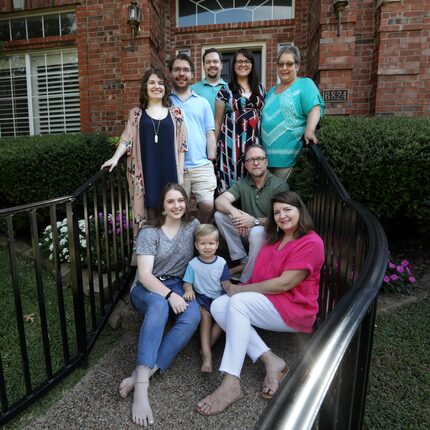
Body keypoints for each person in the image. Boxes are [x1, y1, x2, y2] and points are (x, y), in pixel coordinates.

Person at [196, 191, 325, 416]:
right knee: (218, 305)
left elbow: (284, 284)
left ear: (300, 211)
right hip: (270, 301)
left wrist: (240, 289)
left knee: (238, 302)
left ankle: (231, 382)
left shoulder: (311, 242)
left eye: (287, 209)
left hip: (295, 309)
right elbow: (260, 275)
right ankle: (271, 360)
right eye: (276, 212)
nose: (282, 216)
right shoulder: (273, 238)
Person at [118, 183, 201, 427]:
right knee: (159, 307)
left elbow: (210, 244)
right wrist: (169, 296)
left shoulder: (192, 227)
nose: (177, 205)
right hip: (148, 287)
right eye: (170, 201)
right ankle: (142, 389)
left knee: (193, 316)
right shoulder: (149, 232)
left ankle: (142, 375)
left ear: (186, 204)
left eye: (180, 201)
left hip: (179, 284)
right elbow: (144, 275)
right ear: (163, 207)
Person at [101, 68, 187, 232]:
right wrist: (114, 157)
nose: (157, 86)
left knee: (172, 214)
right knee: (151, 215)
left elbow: (182, 146)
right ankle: (151, 251)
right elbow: (127, 139)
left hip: (170, 170)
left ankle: (170, 253)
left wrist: (180, 175)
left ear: (165, 88)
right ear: (145, 87)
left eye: (161, 83)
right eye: (152, 82)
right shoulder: (136, 114)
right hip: (147, 171)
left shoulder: (176, 113)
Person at [214, 144, 289, 283]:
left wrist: (255, 221)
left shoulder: (279, 185)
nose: (256, 163)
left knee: (257, 232)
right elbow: (219, 201)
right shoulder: (243, 183)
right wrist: (235, 212)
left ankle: (246, 279)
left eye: (260, 159)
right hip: (247, 231)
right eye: (251, 160)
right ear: (246, 165)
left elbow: (283, 219)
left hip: (271, 234)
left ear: (266, 162)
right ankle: (243, 259)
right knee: (220, 215)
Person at [261, 45, 325, 180]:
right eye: (281, 64)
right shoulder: (271, 91)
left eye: (289, 64)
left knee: (280, 197)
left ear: (297, 66)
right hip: (264, 160)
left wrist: (310, 129)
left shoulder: (305, 84)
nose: (284, 68)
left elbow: (315, 107)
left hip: (287, 159)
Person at [169, 53, 217, 223]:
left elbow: (209, 133)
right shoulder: (165, 102)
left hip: (201, 164)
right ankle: (183, 241)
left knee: (207, 204)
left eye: (185, 70)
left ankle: (200, 232)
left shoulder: (202, 102)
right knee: (178, 209)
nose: (181, 74)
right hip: (175, 165)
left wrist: (211, 157)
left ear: (192, 75)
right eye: (177, 70)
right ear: (170, 73)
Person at [215, 48, 266, 193]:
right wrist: (212, 151)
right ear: (233, 65)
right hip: (230, 145)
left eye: (247, 61)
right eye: (239, 61)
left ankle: (251, 213)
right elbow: (217, 122)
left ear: (252, 65)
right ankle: (231, 213)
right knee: (231, 180)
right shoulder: (225, 91)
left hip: (255, 142)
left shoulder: (261, 89)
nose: (243, 64)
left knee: (254, 177)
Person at [183, 223, 232, 373]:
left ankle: (205, 348)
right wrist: (188, 289)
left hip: (219, 297)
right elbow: (187, 282)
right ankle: (208, 356)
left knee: (223, 320)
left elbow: (225, 283)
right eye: (203, 243)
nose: (207, 247)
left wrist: (231, 291)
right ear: (196, 245)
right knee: (206, 317)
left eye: (211, 243)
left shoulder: (222, 262)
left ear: (217, 244)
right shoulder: (193, 264)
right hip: (203, 298)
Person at [191, 48, 228, 115]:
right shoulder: (192, 90)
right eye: (208, 62)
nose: (212, 65)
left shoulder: (230, 89)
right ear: (203, 66)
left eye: (215, 61)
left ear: (221, 65)